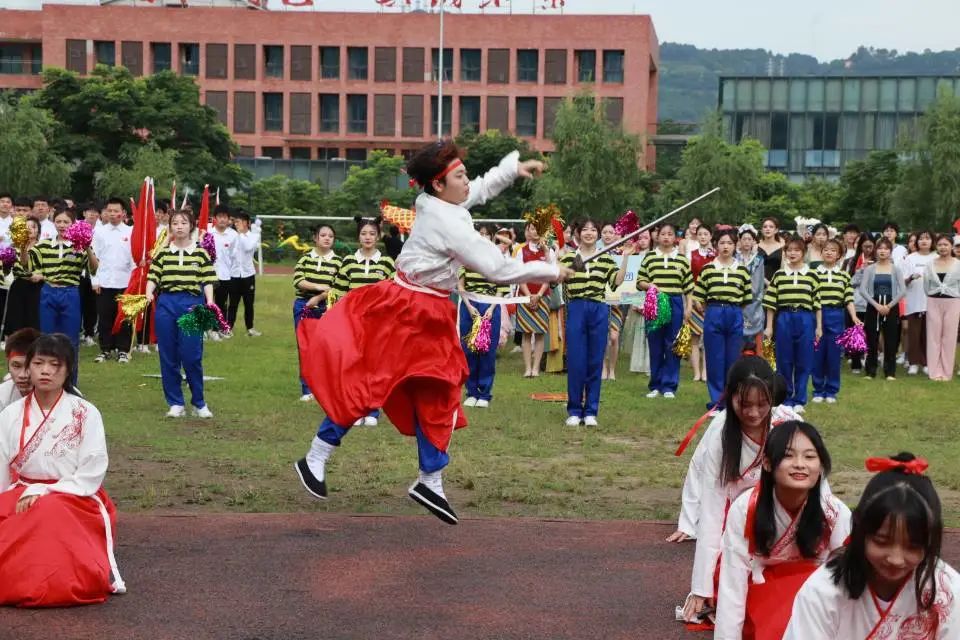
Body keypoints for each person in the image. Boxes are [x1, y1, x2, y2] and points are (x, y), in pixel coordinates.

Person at [294, 140, 570, 525]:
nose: (467, 181)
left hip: (429, 312)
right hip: (406, 311)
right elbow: (497, 269)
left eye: (465, 173)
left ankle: (429, 479)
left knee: (438, 391)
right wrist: (551, 271)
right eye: (460, 175)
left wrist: (511, 171)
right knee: (372, 383)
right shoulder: (447, 221)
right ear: (439, 184)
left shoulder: (437, 201)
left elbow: (477, 191)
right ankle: (318, 455)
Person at [0, 333, 125, 606]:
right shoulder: (10, 415)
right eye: (38, 363)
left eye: (55, 365)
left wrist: (46, 490)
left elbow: (92, 470)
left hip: (73, 495)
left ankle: (51, 583)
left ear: (68, 370)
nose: (45, 371)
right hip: (21, 493)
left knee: (48, 511)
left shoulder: (85, 412)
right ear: (28, 367)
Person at [784, 453, 960, 639]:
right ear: (861, 531)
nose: (896, 559)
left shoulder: (949, 591)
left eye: (912, 546)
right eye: (882, 542)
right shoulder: (822, 591)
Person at [680, 356, 795, 622]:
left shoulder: (788, 426)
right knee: (728, 597)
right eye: (744, 404)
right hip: (737, 527)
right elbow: (712, 511)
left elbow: (817, 490)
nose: (753, 413)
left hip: (784, 523)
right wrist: (700, 587)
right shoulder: (720, 433)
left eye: (762, 404)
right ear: (730, 397)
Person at [714, 420, 851, 640]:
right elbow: (733, 583)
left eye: (809, 457)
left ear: (821, 466)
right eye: (788, 455)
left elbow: (846, 576)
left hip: (815, 588)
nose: (800, 464)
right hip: (760, 585)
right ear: (767, 463)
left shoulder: (835, 512)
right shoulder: (746, 508)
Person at [559, 218, 633, 427]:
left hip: (598, 308)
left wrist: (625, 258)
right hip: (576, 308)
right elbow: (557, 280)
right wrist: (556, 260)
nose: (589, 233)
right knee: (576, 360)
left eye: (593, 230)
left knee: (595, 360)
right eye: (585, 229)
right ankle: (575, 410)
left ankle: (591, 411)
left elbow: (616, 281)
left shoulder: (606, 259)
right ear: (578, 233)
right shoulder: (569, 258)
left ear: (598, 234)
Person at [146, 210, 217, 419]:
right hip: (167, 304)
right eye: (175, 223)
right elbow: (153, 276)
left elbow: (207, 280)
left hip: (192, 304)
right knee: (168, 355)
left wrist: (210, 301)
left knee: (192, 355)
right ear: (170, 227)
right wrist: (149, 292)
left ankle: (199, 403)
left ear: (191, 226)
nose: (179, 226)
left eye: (183, 223)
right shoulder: (163, 253)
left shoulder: (201, 253)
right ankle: (176, 402)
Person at [327, 216, 396, 427]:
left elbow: (394, 293)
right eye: (364, 233)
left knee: (374, 367)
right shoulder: (348, 261)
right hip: (352, 322)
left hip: (378, 324)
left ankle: (372, 410)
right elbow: (338, 292)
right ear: (358, 236)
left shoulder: (387, 262)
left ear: (378, 237)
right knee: (353, 365)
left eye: (372, 234)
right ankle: (356, 408)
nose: (368, 237)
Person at [31, 209, 98, 385]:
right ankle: (47, 381)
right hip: (48, 292)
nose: (62, 225)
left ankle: (70, 384)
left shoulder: (79, 246)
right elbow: (29, 265)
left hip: (70, 293)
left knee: (70, 340)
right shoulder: (43, 245)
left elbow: (94, 268)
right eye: (58, 221)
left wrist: (87, 247)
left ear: (73, 224)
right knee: (46, 339)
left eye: (66, 222)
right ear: (53, 223)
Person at [692, 229, 752, 409]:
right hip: (714, 312)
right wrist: (711, 310)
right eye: (722, 243)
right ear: (716, 245)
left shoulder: (742, 270)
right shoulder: (708, 269)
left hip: (734, 313)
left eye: (730, 243)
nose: (726, 246)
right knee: (715, 358)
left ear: (736, 246)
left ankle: (732, 400)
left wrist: (733, 311)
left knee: (733, 358)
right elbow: (700, 297)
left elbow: (746, 299)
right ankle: (717, 402)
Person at [763, 235, 821, 413]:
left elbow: (817, 303)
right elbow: (771, 303)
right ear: (785, 253)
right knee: (784, 360)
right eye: (789, 250)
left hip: (805, 318)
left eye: (797, 250)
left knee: (804, 359)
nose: (793, 253)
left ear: (803, 252)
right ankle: (786, 398)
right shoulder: (779, 275)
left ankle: (800, 399)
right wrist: (769, 326)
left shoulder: (812, 275)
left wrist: (819, 326)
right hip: (784, 318)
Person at [638, 223, 693, 399]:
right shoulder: (650, 257)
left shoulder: (682, 259)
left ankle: (669, 385)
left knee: (672, 344)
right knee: (655, 344)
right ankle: (655, 384)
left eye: (670, 234)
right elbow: (639, 281)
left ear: (675, 237)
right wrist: (650, 285)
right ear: (657, 236)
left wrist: (689, 307)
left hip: (675, 302)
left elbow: (689, 287)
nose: (666, 237)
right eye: (663, 234)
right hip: (655, 302)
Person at [457, 234, 509, 409]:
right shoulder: (466, 260)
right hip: (469, 306)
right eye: (481, 235)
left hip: (489, 306)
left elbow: (501, 288)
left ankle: (485, 393)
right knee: (469, 350)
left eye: (487, 235)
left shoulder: (497, 261)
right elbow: (461, 286)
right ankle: (471, 392)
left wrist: (491, 308)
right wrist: (469, 306)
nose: (484, 238)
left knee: (487, 350)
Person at [293, 225, 342, 402]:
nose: (327, 238)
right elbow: (298, 280)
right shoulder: (305, 258)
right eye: (323, 235)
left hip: (327, 306)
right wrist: (318, 287)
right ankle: (307, 389)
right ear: (315, 238)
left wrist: (319, 297)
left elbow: (337, 287)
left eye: (330, 236)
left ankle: (326, 386)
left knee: (327, 348)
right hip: (303, 305)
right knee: (305, 347)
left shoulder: (339, 262)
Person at [812, 238, 861, 404]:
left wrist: (854, 316)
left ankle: (831, 390)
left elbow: (849, 298)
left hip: (836, 315)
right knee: (817, 353)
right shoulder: (814, 274)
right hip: (817, 315)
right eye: (826, 249)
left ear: (839, 255)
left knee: (834, 355)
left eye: (833, 250)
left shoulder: (844, 275)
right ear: (821, 252)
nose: (829, 252)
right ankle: (818, 389)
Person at [91, 198, 135, 364]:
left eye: (116, 211)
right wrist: (95, 280)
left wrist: (134, 282)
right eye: (109, 211)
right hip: (104, 282)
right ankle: (105, 349)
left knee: (124, 318)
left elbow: (134, 258)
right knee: (105, 317)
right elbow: (93, 257)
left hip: (125, 282)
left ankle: (123, 350)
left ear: (123, 213)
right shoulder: (99, 231)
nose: (112, 214)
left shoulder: (131, 231)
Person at [859, 238, 907, 381]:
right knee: (872, 339)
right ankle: (870, 371)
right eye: (880, 248)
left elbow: (902, 290)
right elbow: (863, 290)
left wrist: (889, 306)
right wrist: (877, 305)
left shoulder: (896, 269)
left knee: (891, 339)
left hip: (891, 306)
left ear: (890, 251)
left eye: (886, 248)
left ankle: (890, 372)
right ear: (876, 250)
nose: (883, 251)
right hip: (873, 306)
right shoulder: (870, 269)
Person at [517, 222, 554, 378]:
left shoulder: (549, 250)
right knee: (526, 333)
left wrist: (538, 294)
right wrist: (529, 295)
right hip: (524, 295)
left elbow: (550, 274)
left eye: (539, 228)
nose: (535, 231)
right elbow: (519, 275)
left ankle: (536, 368)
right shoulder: (521, 251)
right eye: (532, 228)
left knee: (539, 333)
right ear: (528, 231)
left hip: (543, 296)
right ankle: (527, 368)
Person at [923, 234, 960, 381]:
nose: (943, 247)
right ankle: (934, 371)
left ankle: (946, 372)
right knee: (933, 337)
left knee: (949, 337)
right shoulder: (930, 264)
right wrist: (932, 294)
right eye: (940, 245)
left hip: (953, 302)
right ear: (936, 247)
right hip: (933, 301)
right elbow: (926, 286)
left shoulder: (958, 264)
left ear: (951, 246)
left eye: (946, 244)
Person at [903, 230, 935, 375]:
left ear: (932, 241)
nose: (924, 241)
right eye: (921, 238)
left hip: (933, 301)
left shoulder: (936, 257)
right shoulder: (910, 258)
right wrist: (910, 278)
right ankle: (913, 362)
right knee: (914, 334)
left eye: (927, 238)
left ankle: (927, 362)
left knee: (929, 334)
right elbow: (902, 280)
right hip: (914, 301)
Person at [844, 233, 875, 374]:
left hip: (873, 302)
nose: (868, 249)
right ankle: (856, 363)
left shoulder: (879, 261)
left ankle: (870, 361)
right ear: (860, 246)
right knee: (855, 333)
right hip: (856, 302)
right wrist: (861, 271)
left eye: (870, 246)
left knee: (871, 333)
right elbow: (848, 283)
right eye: (865, 246)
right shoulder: (852, 261)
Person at [6, 217, 43, 337]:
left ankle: (34, 344)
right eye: (26, 227)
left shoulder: (43, 247)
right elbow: (6, 271)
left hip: (38, 287)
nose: (29, 229)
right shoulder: (13, 248)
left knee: (34, 319)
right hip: (18, 285)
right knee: (16, 319)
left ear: (38, 231)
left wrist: (41, 276)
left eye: (33, 226)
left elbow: (51, 269)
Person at [688, 224, 716, 384]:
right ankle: (696, 372)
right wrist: (695, 300)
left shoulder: (716, 255)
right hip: (694, 299)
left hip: (711, 301)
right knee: (695, 338)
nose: (703, 237)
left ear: (711, 236)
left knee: (708, 339)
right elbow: (689, 279)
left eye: (706, 234)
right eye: (700, 234)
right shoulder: (692, 254)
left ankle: (706, 371)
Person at [228, 211, 262, 337]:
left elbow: (248, 247)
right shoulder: (233, 235)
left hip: (248, 275)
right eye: (236, 222)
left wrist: (240, 234)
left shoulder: (253, 236)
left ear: (247, 223)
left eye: (239, 222)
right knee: (233, 303)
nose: (237, 224)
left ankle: (250, 328)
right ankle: (228, 328)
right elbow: (230, 253)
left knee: (249, 303)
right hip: (234, 274)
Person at [210, 204, 238, 341]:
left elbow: (234, 256)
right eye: (219, 216)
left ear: (228, 219)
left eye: (225, 217)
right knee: (208, 303)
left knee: (221, 304)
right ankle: (208, 330)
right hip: (209, 275)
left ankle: (219, 329)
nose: (222, 219)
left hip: (225, 275)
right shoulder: (208, 233)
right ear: (214, 218)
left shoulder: (233, 235)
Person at [736, 225, 766, 353]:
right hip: (737, 300)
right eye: (744, 239)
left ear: (754, 241)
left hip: (754, 302)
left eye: (750, 239)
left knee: (756, 338)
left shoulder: (758, 260)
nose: (747, 242)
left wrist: (752, 296)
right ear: (739, 241)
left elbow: (759, 282)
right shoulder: (734, 258)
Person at [628, 228, 652, 375]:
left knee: (651, 329)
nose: (643, 241)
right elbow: (631, 280)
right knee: (639, 329)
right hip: (637, 293)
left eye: (646, 238)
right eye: (640, 238)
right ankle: (637, 363)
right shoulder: (633, 257)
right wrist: (633, 301)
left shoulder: (654, 255)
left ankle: (650, 364)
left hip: (651, 294)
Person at [0, 328, 40, 412]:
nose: (23, 375)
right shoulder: (2, 396)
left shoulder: (65, 396)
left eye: (29, 366)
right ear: (8, 364)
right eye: (16, 366)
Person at [758, 217, 784, 284]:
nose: (768, 229)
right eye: (765, 227)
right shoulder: (755, 247)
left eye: (771, 227)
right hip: (758, 284)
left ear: (776, 230)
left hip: (777, 284)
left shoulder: (783, 247)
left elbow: (784, 269)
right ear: (761, 230)